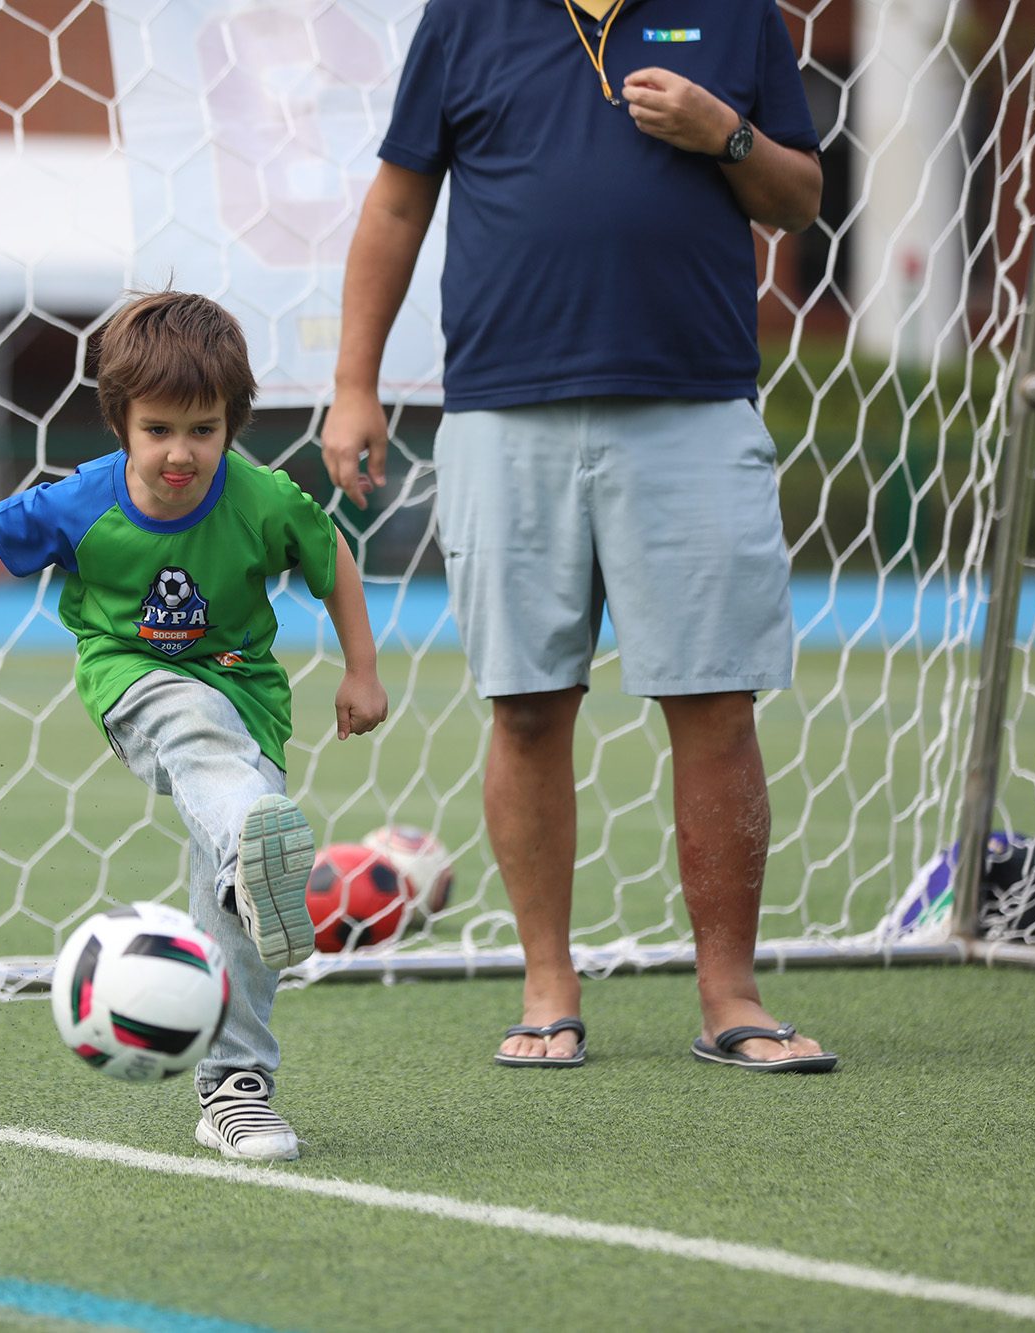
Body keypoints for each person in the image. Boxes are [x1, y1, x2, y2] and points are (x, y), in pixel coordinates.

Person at [321, 0, 837, 1072]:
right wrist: (353, 384)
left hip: (694, 407)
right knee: (523, 705)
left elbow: (798, 199)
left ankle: (730, 996)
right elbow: (399, 202)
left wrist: (725, 134)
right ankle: (547, 985)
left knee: (716, 705)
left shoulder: (733, 12)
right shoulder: (465, 16)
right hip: (503, 413)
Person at [0, 291, 391, 1156]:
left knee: (235, 894)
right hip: (134, 677)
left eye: (203, 429)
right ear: (120, 422)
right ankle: (247, 846)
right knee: (196, 733)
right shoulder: (85, 500)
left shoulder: (261, 498)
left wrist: (362, 668)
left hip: (248, 695)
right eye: (158, 430)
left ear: (232, 424)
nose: (180, 452)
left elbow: (328, 551)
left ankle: (234, 1085)